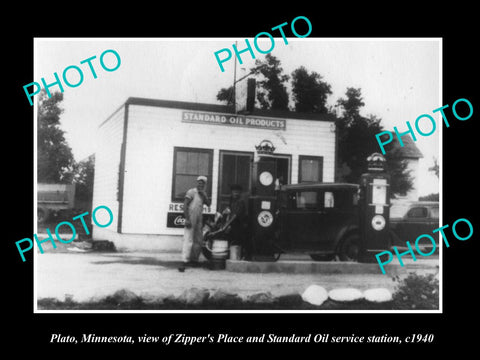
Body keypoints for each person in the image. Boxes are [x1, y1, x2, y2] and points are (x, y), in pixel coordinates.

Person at [178, 176, 211, 272]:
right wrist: (187, 219)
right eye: (199, 183)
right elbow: (185, 205)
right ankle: (184, 260)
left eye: (203, 183)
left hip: (199, 218)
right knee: (188, 238)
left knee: (198, 240)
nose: (200, 185)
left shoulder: (203, 194)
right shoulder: (191, 192)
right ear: (197, 183)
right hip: (191, 217)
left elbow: (208, 204)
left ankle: (194, 259)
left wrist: (204, 195)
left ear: (205, 185)